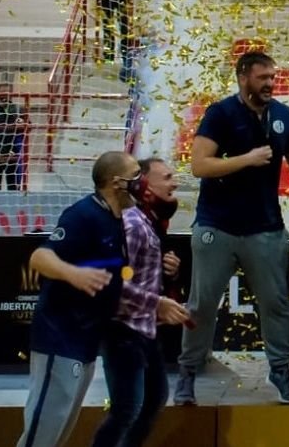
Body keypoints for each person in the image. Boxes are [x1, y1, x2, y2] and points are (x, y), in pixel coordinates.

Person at [175, 51, 289, 406]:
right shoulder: (220, 113)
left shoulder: (283, 115)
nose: (270, 83)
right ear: (243, 78)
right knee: (202, 304)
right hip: (217, 225)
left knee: (276, 304)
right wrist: (247, 160)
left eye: (273, 77)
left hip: (266, 227)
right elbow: (199, 166)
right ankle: (188, 372)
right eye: (262, 78)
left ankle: (280, 371)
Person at [16, 151, 137, 447]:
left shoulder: (119, 221)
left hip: (86, 340)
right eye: (136, 174)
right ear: (116, 182)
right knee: (42, 435)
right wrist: (74, 274)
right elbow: (40, 257)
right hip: (59, 338)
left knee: (58, 433)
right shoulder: (83, 215)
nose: (141, 181)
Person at [91, 157, 191, 447]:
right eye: (167, 177)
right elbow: (115, 283)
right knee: (127, 409)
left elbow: (134, 272)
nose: (175, 183)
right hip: (124, 330)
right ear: (146, 185)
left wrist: (166, 269)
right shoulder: (133, 224)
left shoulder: (148, 221)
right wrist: (158, 303)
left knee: (152, 400)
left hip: (143, 330)